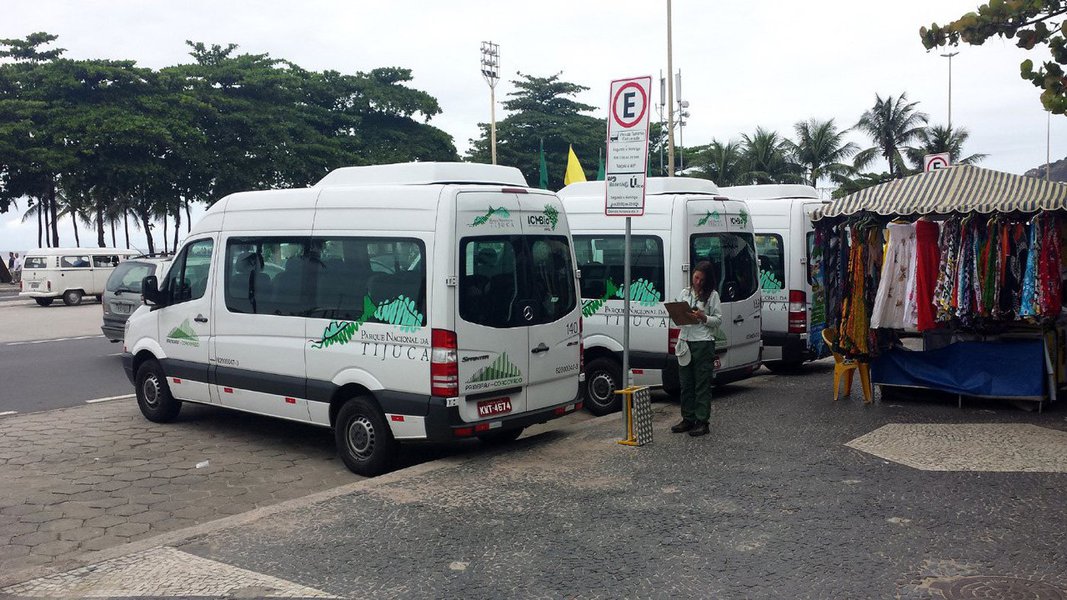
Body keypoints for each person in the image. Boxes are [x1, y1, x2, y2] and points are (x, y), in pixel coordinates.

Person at [670, 260, 723, 437]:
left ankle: (702, 421)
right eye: (696, 277)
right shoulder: (685, 293)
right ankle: (688, 418)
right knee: (686, 383)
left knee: (701, 383)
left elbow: (718, 320)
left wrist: (703, 317)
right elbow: (674, 317)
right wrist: (677, 314)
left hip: (703, 342)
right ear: (692, 274)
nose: (698, 282)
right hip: (685, 341)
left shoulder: (712, 295)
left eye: (702, 279)